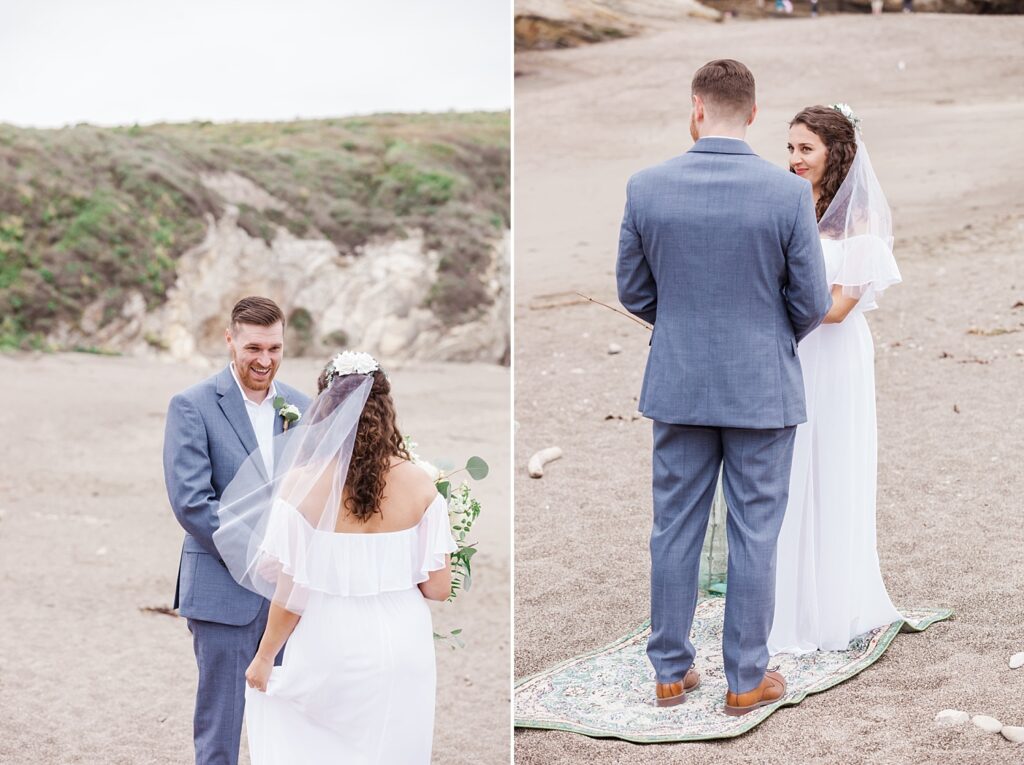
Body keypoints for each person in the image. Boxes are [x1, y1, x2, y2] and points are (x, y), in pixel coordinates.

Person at [616, 59, 831, 715]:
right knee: (754, 531)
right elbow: (812, 300)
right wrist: (768, 335)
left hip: (679, 381)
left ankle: (671, 672)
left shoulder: (647, 186)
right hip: (761, 384)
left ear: (696, 107)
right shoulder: (786, 193)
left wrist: (679, 324)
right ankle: (744, 677)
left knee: (673, 528)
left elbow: (631, 289)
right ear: (755, 115)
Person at [213, 351, 456, 764]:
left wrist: (265, 657)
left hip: (332, 639)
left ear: (326, 410)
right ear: (386, 408)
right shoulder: (420, 484)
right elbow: (438, 587)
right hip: (403, 643)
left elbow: (292, 592)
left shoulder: (303, 484)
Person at [768, 105, 903, 655]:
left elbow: (840, 307)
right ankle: (788, 600)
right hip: (792, 352)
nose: (795, 159)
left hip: (834, 354)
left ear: (835, 151)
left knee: (832, 463)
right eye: (791, 148)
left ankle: (831, 604)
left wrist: (767, 309)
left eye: (807, 149)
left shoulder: (861, 219)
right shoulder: (786, 203)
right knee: (790, 468)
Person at [163, 296, 311, 765]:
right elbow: (192, 501)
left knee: (291, 722)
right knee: (220, 728)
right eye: (253, 348)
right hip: (223, 590)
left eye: (274, 348)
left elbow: (316, 494)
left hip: (291, 595)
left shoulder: (303, 407)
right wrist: (254, 553)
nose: (264, 360)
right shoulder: (192, 406)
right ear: (229, 340)